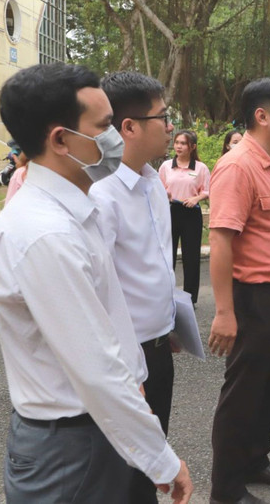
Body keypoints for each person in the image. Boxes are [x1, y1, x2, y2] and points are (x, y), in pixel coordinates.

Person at [0, 63, 192, 503]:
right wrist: (162, 459)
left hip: (99, 428)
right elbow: (95, 369)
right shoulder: (47, 235)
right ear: (60, 139)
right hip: (70, 448)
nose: (114, 136)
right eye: (102, 126)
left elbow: (110, 328)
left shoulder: (75, 210)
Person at [206, 77, 270, 504]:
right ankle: (225, 489)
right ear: (262, 116)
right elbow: (222, 241)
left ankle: (255, 459)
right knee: (243, 395)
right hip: (254, 299)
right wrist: (225, 312)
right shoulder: (237, 166)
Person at [89, 71, 179, 503]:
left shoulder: (153, 180)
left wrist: (169, 321)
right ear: (128, 126)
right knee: (122, 472)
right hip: (128, 360)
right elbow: (95, 295)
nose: (171, 127)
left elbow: (155, 264)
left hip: (160, 347)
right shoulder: (101, 195)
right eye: (163, 117)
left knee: (148, 466)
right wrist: (125, 371)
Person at [159, 130, 209, 305]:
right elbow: (159, 188)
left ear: (192, 147)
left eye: (183, 143)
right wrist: (166, 195)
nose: (178, 146)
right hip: (171, 212)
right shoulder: (166, 166)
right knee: (168, 255)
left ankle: (190, 299)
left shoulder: (201, 168)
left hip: (191, 213)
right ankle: (167, 297)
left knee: (191, 257)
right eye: (177, 142)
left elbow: (207, 190)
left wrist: (196, 198)